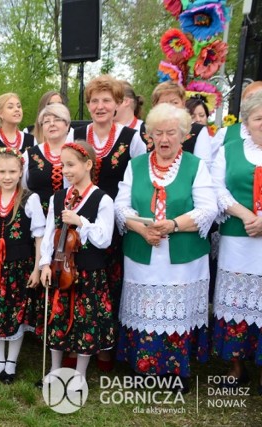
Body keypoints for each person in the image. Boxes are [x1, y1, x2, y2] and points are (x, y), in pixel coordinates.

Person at [114, 103, 217, 394]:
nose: (164, 139)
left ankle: (174, 371)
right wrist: (141, 228)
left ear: (184, 135)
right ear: (149, 136)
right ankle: (143, 368)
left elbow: (208, 209)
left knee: (178, 310)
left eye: (171, 132)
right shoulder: (136, 165)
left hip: (182, 256)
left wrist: (172, 225)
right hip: (142, 251)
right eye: (158, 132)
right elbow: (121, 207)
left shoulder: (196, 166)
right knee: (145, 308)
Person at [72, 75, 146, 371]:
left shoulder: (132, 138)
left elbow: (141, 180)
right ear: (88, 105)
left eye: (106, 100)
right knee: (79, 284)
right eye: (94, 101)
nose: (100, 106)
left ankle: (105, 347)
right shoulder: (77, 135)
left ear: (118, 104)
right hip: (78, 223)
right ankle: (76, 340)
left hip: (115, 225)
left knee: (109, 285)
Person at [39, 140, 115, 390]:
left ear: (88, 164)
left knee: (87, 323)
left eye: (71, 165)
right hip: (62, 269)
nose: (67, 170)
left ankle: (80, 374)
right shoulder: (58, 197)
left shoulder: (102, 200)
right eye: (63, 166)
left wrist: (80, 221)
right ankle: (53, 369)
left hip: (88, 270)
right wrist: (45, 264)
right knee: (57, 318)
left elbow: (104, 240)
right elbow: (50, 233)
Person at [0, 147, 45, 384]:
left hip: (20, 266)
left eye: (12, 171)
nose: (7, 176)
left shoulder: (30, 199)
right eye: (2, 171)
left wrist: (37, 268)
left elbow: (39, 237)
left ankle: (12, 362)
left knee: (16, 313)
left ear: (20, 171)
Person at [211, 91, 262, 395]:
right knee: (235, 304)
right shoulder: (229, 149)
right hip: (238, 237)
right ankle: (237, 368)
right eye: (259, 119)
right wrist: (246, 215)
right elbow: (217, 188)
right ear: (247, 122)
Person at [146, 82, 216, 171]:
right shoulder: (145, 130)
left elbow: (204, 166)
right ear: (154, 106)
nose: (169, 107)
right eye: (163, 103)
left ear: (183, 104)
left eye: (174, 102)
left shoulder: (197, 130)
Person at [24, 103, 71, 214]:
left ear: (67, 124)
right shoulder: (30, 154)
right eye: (46, 121)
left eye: (57, 119)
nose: (52, 124)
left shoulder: (77, 152)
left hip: (72, 220)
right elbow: (23, 189)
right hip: (37, 220)